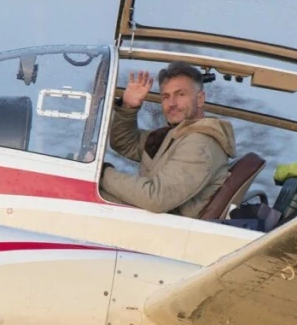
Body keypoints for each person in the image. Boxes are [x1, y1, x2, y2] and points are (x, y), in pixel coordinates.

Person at [100, 62, 236, 217]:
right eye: (166, 96)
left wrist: (101, 173)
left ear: (200, 99)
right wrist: (128, 107)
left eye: (180, 94)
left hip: (168, 232)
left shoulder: (199, 144)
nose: (172, 104)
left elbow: (157, 198)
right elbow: (125, 143)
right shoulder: (175, 136)